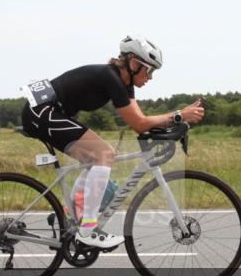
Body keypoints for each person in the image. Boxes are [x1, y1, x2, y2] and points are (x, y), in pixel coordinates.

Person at [20, 36, 205, 249]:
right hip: (41, 112)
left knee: (98, 157)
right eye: (149, 70)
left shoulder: (125, 84)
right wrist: (179, 115)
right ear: (134, 63)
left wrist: (175, 122)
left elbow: (142, 121)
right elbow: (139, 123)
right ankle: (88, 230)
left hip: (50, 111)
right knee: (104, 153)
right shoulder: (111, 77)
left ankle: (72, 214)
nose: (151, 77)